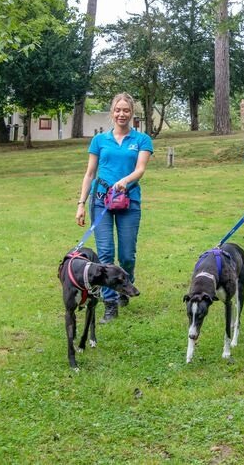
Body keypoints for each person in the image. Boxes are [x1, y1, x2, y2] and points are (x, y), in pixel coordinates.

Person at [76, 93, 153, 323]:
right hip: (101, 200)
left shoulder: (141, 140)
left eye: (126, 110)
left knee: (127, 255)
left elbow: (140, 169)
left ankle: (125, 285)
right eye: (118, 110)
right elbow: (90, 173)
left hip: (129, 200)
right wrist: (80, 203)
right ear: (112, 112)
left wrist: (125, 181)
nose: (122, 114)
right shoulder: (99, 140)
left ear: (132, 113)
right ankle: (110, 304)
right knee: (106, 253)